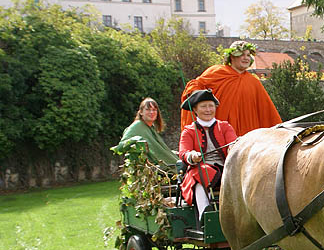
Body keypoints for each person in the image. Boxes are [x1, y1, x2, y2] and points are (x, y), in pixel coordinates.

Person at [180, 40, 282, 136]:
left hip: (246, 134)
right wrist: (196, 93)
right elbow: (196, 84)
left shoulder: (254, 82)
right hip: (218, 132)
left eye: (248, 55)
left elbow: (267, 111)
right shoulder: (217, 72)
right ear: (232, 57)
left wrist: (279, 131)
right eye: (242, 55)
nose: (246, 58)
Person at [178, 89, 237, 220]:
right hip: (200, 170)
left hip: (226, 169)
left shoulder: (225, 126)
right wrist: (192, 155)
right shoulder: (188, 131)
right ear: (195, 109)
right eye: (203, 106)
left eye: (211, 106)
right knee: (202, 172)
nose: (208, 110)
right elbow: (183, 152)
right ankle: (204, 214)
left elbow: (233, 144)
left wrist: (233, 147)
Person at [116, 97, 178, 167]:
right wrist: (135, 140)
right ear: (141, 112)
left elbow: (158, 150)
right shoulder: (137, 126)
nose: (151, 112)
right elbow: (120, 147)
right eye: (148, 109)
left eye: (154, 110)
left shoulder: (151, 128)